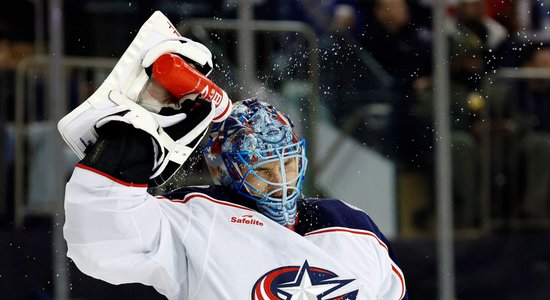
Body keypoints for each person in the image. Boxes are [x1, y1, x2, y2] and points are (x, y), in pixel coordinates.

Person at [60, 11, 407, 300]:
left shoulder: (354, 225)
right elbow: (102, 243)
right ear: (226, 171)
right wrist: (126, 152)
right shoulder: (196, 217)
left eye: (287, 162)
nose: (281, 180)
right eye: (263, 169)